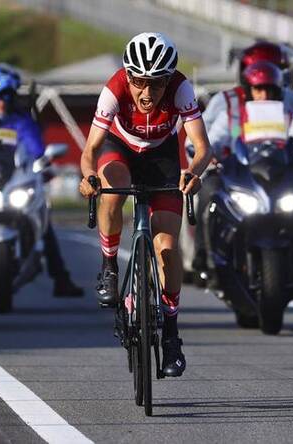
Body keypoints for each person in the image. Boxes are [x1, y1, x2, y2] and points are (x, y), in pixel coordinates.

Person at [78, 32, 212, 377]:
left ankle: (170, 335)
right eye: (139, 81)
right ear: (128, 76)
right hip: (119, 149)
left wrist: (193, 172)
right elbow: (90, 150)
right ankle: (109, 266)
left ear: (169, 79)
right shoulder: (115, 88)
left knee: (167, 248)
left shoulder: (181, 88)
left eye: (156, 84)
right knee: (112, 185)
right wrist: (89, 176)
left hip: (162, 158)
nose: (147, 93)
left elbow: (201, 145)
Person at [190, 41, 293, 273]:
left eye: (269, 88)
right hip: (236, 172)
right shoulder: (231, 109)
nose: (263, 94)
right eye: (258, 88)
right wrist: (207, 154)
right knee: (207, 192)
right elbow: (211, 137)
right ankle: (205, 253)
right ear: (247, 84)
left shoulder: (285, 110)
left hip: (275, 174)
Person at [0, 64, 84, 297]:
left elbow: (37, 150)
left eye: (6, 97)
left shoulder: (21, 121)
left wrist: (43, 163)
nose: (1, 103)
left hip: (14, 182)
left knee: (41, 216)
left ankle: (60, 277)